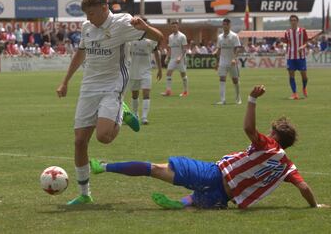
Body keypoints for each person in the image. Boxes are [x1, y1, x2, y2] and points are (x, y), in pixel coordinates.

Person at [89, 85, 329, 210]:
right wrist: (314, 205)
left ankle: (104, 166)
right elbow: (304, 187)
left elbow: (248, 129)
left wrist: (252, 99)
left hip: (214, 174)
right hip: (223, 197)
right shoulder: (287, 165)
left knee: (156, 168)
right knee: (196, 197)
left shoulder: (269, 145)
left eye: (271, 131)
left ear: (275, 135)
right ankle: (182, 203)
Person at [56, 0, 164, 205]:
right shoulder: (88, 27)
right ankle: (85, 194)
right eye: (86, 14)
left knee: (103, 137)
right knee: (79, 141)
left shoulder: (123, 23)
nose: (88, 19)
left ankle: (121, 113)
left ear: (105, 8)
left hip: (113, 85)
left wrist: (146, 28)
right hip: (89, 86)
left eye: (92, 14)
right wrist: (65, 81)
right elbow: (80, 53)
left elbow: (160, 38)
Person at [129, 23, 163, 125]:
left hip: (146, 71)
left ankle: (144, 117)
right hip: (133, 71)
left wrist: (160, 69)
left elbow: (156, 53)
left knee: (146, 93)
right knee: (135, 95)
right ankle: (135, 114)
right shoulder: (131, 39)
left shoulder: (151, 40)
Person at [213, 18, 243, 105]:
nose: (224, 26)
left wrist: (234, 59)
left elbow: (237, 48)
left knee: (235, 80)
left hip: (232, 61)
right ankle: (222, 100)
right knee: (222, 79)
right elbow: (219, 50)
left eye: (226, 24)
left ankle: (238, 98)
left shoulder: (234, 36)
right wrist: (217, 61)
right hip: (222, 61)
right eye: (223, 24)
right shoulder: (220, 37)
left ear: (230, 25)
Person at [284, 15, 309, 100]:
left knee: (304, 76)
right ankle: (294, 93)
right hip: (290, 57)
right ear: (290, 22)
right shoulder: (287, 32)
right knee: (291, 75)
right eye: (291, 20)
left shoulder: (302, 31)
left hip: (301, 56)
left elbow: (307, 42)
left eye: (294, 20)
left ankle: (304, 87)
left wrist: (302, 47)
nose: (293, 22)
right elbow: (287, 42)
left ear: (297, 21)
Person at [161, 21, 189, 97]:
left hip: (181, 59)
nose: (174, 28)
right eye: (172, 27)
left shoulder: (182, 36)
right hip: (173, 59)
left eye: (175, 26)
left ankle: (185, 91)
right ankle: (168, 91)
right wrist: (167, 57)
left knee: (183, 74)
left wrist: (180, 57)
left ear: (178, 27)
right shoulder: (170, 37)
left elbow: (184, 49)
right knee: (168, 73)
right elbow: (169, 48)